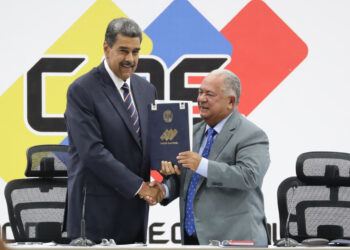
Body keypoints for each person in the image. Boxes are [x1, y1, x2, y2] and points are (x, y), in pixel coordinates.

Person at [64, 17, 164, 244]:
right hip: (94, 217)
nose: (130, 59)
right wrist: (140, 187)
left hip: (135, 214)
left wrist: (165, 173)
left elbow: (150, 145)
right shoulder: (82, 90)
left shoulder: (146, 90)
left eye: (136, 52)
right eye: (123, 51)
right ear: (106, 48)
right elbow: (93, 152)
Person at [159, 69, 270, 245]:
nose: (201, 99)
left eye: (209, 94)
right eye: (200, 92)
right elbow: (185, 179)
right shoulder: (191, 132)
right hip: (193, 240)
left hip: (235, 242)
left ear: (230, 101)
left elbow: (249, 176)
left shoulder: (252, 135)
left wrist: (202, 165)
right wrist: (162, 190)